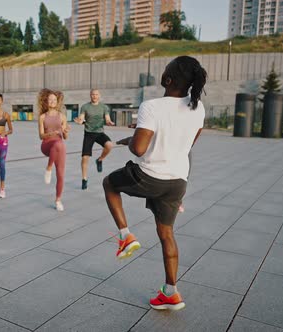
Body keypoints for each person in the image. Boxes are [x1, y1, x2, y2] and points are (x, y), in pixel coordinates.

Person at [102, 56, 207, 311]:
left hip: (149, 176)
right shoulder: (198, 108)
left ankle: (126, 236)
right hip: (177, 182)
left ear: (167, 79)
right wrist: (132, 137)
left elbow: (139, 149)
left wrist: (136, 137)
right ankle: (171, 293)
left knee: (109, 184)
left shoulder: (152, 106)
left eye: (166, 70)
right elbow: (186, 143)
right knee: (167, 234)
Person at [74, 89, 115, 190]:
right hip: (89, 134)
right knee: (85, 158)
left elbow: (107, 118)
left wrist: (109, 122)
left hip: (100, 133)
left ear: (99, 96)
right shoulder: (85, 107)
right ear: (90, 95)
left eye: (96, 94)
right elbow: (81, 118)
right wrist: (80, 121)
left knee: (109, 145)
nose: (94, 96)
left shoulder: (104, 107)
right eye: (93, 94)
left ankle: (100, 160)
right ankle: (84, 179)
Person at [37, 89, 70, 211]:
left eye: (54, 100)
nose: (52, 101)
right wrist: (52, 133)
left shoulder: (62, 117)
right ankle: (49, 167)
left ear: (57, 102)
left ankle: (58, 200)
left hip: (58, 146)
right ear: (46, 101)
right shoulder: (42, 117)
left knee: (61, 175)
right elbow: (41, 136)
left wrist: (65, 132)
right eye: (50, 99)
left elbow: (65, 137)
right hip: (46, 145)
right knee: (57, 142)